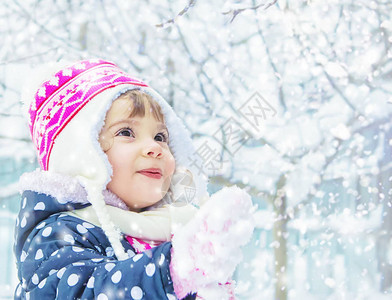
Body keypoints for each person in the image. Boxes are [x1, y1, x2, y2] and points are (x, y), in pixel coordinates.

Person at [14, 59, 254, 299]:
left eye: (161, 136)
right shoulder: (57, 233)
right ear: (81, 154)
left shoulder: (173, 230)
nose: (155, 148)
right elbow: (85, 291)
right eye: (126, 132)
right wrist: (172, 269)